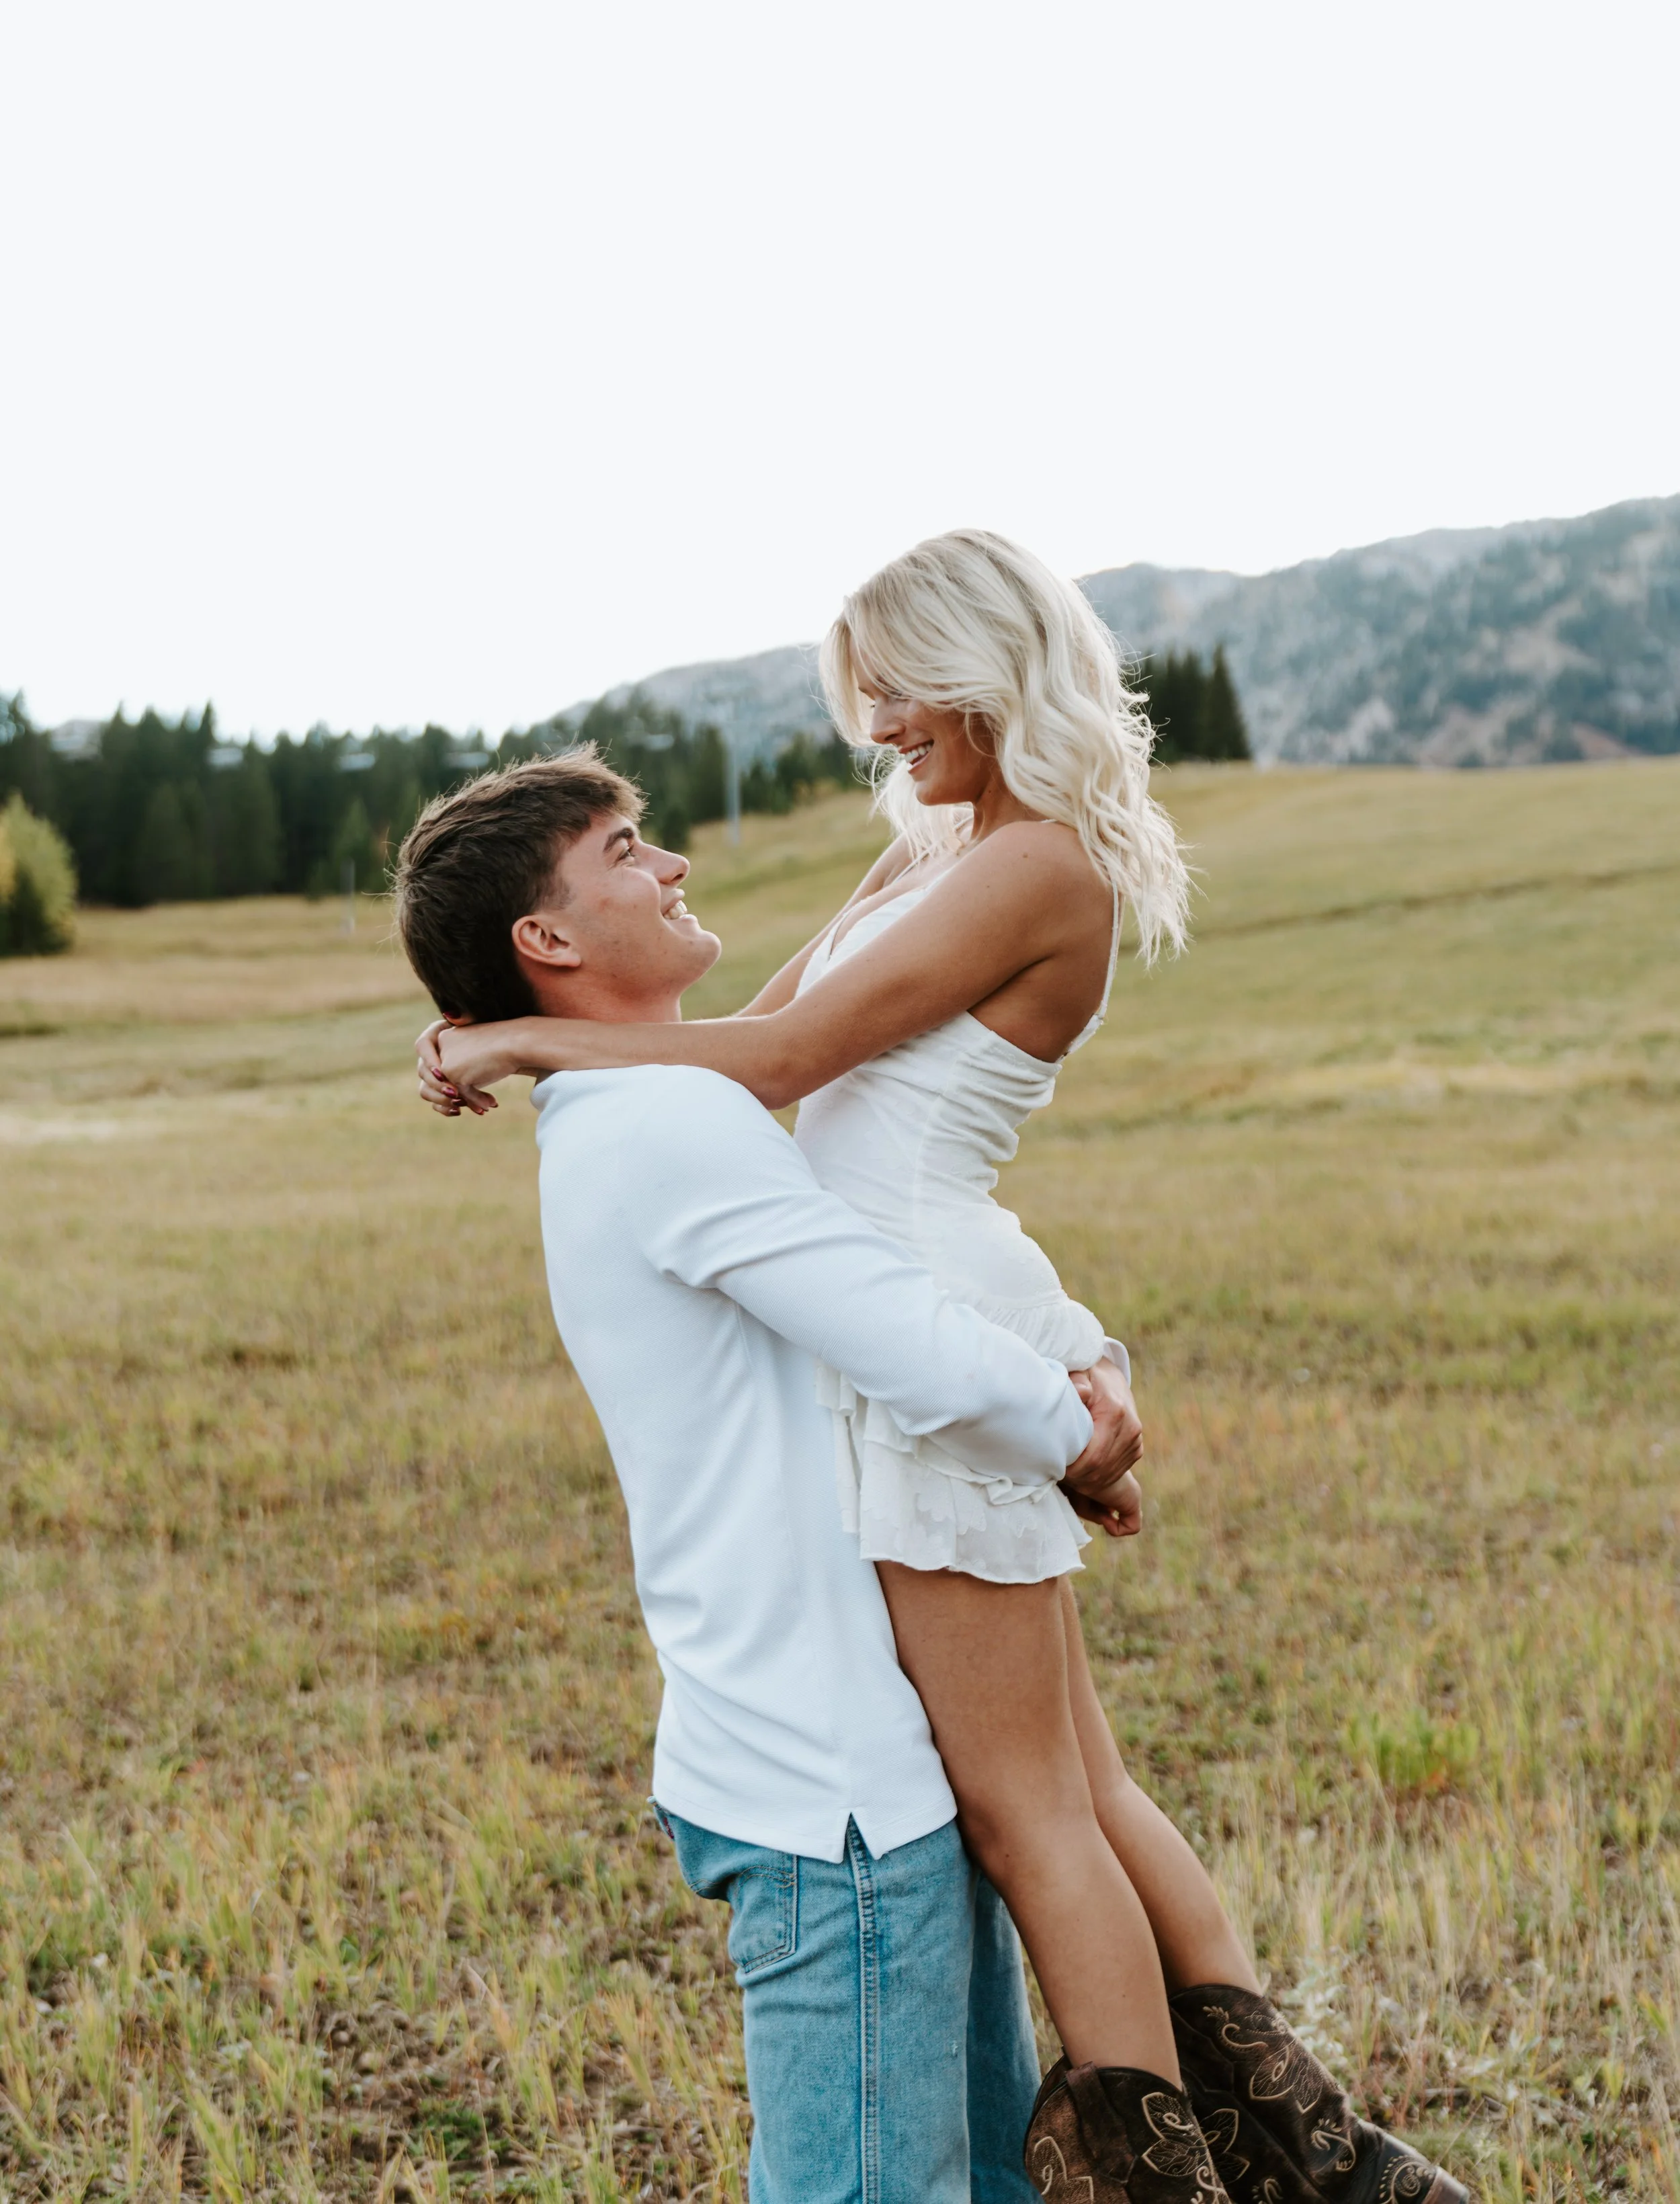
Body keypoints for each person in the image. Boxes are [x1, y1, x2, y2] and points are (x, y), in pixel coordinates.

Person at [416, 534, 1467, 2204]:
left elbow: (774, 1059)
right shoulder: (935, 849)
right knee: (1082, 1786)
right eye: (866, 693)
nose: (879, 722)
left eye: (900, 686)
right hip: (914, 1300)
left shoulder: (1040, 865)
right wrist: (560, 1028)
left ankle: (1167, 2170)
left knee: (1029, 1810)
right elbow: (745, 1046)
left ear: (989, 668)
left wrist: (531, 1034)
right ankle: (1315, 2157)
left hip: (915, 1315)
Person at [392, 746, 1148, 2204]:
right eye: (624, 851)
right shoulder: (665, 1123)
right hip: (834, 1802)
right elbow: (910, 1341)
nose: (670, 865)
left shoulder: (647, 1102)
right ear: (544, 940)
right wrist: (1081, 1436)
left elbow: (840, 1108)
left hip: (852, 1766)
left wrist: (1077, 1370)